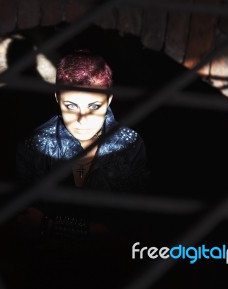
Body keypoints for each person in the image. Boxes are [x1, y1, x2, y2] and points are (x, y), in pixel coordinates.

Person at [15, 49, 150, 240]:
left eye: (94, 106)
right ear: (57, 98)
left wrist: (51, 225)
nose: (82, 119)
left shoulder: (130, 144)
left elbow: (130, 226)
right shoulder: (34, 145)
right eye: (71, 106)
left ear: (109, 99)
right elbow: (26, 222)